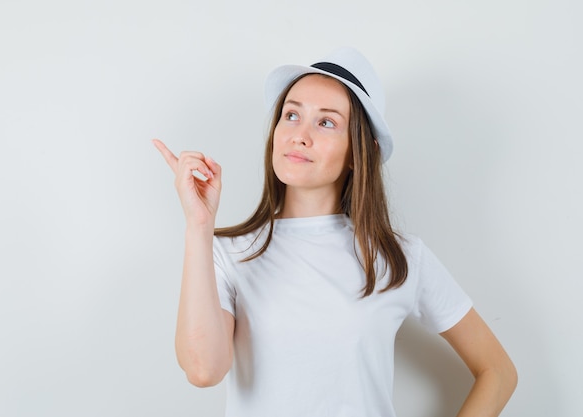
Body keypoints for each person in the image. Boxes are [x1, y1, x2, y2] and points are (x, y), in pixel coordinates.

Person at [153, 47, 517, 417]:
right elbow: (203, 370)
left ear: (360, 152)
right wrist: (199, 226)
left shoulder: (400, 257)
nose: (300, 135)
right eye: (291, 115)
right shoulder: (227, 251)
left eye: (326, 122)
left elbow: (498, 372)